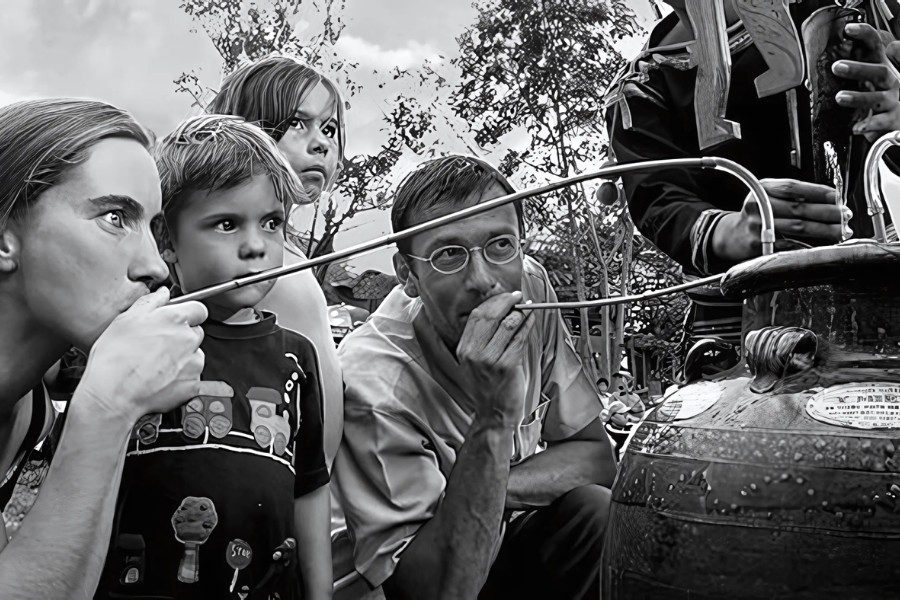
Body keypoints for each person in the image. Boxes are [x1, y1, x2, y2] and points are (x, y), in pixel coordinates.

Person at [334, 155, 617, 600]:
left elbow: (596, 459)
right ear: (407, 274)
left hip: (497, 548)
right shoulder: (370, 381)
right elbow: (431, 591)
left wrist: (486, 491)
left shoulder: (529, 290)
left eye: (502, 245)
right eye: (449, 254)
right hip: (405, 586)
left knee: (591, 514)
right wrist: (494, 416)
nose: (484, 280)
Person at [94, 116, 331, 599]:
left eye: (272, 223)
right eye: (226, 224)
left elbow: (310, 488)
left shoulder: (296, 358)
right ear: (166, 241)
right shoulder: (134, 340)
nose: (256, 246)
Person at [0, 98, 223, 598]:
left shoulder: (28, 397)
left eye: (152, 227)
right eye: (115, 217)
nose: (156, 267)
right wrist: (107, 407)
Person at [604, 0, 900, 351]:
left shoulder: (849, 13)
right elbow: (658, 199)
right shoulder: (642, 86)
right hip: (734, 316)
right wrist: (734, 230)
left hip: (872, 287)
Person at [207, 55, 346, 466]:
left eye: (330, 128)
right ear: (245, 129)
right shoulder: (251, 266)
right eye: (297, 123)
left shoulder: (291, 256)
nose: (321, 142)